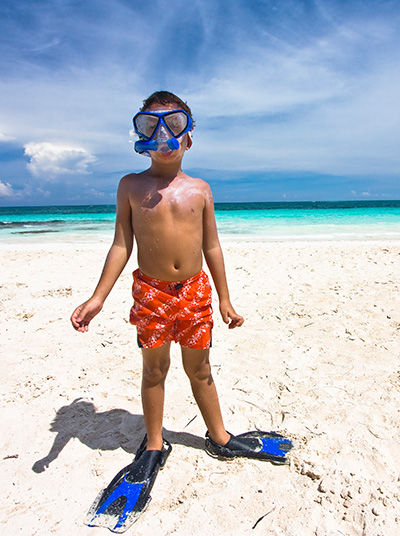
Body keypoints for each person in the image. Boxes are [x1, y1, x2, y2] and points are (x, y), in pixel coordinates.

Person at [71, 91, 292, 466]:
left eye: (173, 125)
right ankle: (155, 443)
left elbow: (213, 248)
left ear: (188, 137)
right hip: (151, 294)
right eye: (150, 125)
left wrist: (224, 298)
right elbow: (121, 246)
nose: (163, 135)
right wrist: (98, 298)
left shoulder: (201, 189)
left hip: (194, 291)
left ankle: (219, 436)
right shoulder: (130, 186)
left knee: (200, 368)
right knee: (154, 369)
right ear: (140, 138)